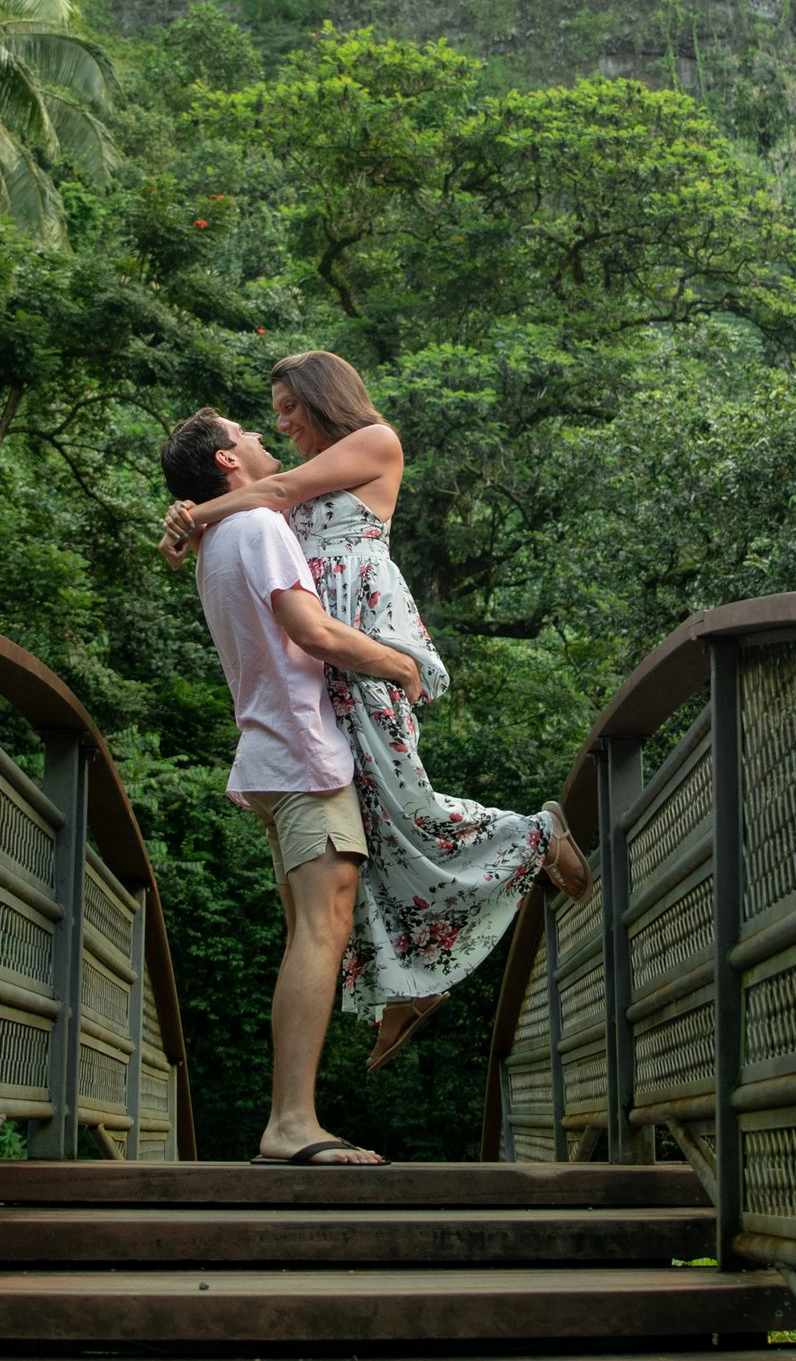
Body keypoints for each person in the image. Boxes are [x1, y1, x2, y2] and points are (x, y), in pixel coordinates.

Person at [162, 352, 590, 1075]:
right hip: (326, 662)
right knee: (372, 828)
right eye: (274, 413)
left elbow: (274, 491)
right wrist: (190, 525)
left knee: (404, 803)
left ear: (322, 396)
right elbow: (255, 514)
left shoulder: (374, 443)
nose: (281, 422)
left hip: (363, 637)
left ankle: (536, 837)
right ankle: (410, 985)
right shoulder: (275, 494)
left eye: (289, 407)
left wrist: (188, 516)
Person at [160, 406, 429, 1164]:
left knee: (313, 928)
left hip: (271, 758)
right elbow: (312, 632)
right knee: (319, 928)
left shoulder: (219, 539)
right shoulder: (257, 527)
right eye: (246, 431)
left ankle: (304, 1106)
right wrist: (398, 663)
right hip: (304, 756)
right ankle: (290, 1125)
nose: (260, 435)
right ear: (227, 460)